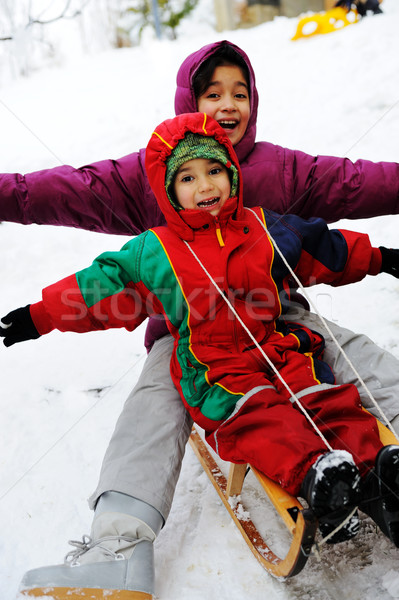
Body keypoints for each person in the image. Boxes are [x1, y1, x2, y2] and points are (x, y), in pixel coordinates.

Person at [1, 40, 399, 598]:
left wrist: (379, 258)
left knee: (350, 353)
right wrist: (41, 315)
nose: (229, 104)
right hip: (188, 328)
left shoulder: (277, 169)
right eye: (213, 93)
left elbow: (350, 192)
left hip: (273, 313)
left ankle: (388, 466)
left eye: (241, 92)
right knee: (157, 400)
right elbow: (66, 203)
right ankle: (120, 545)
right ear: (189, 99)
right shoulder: (146, 172)